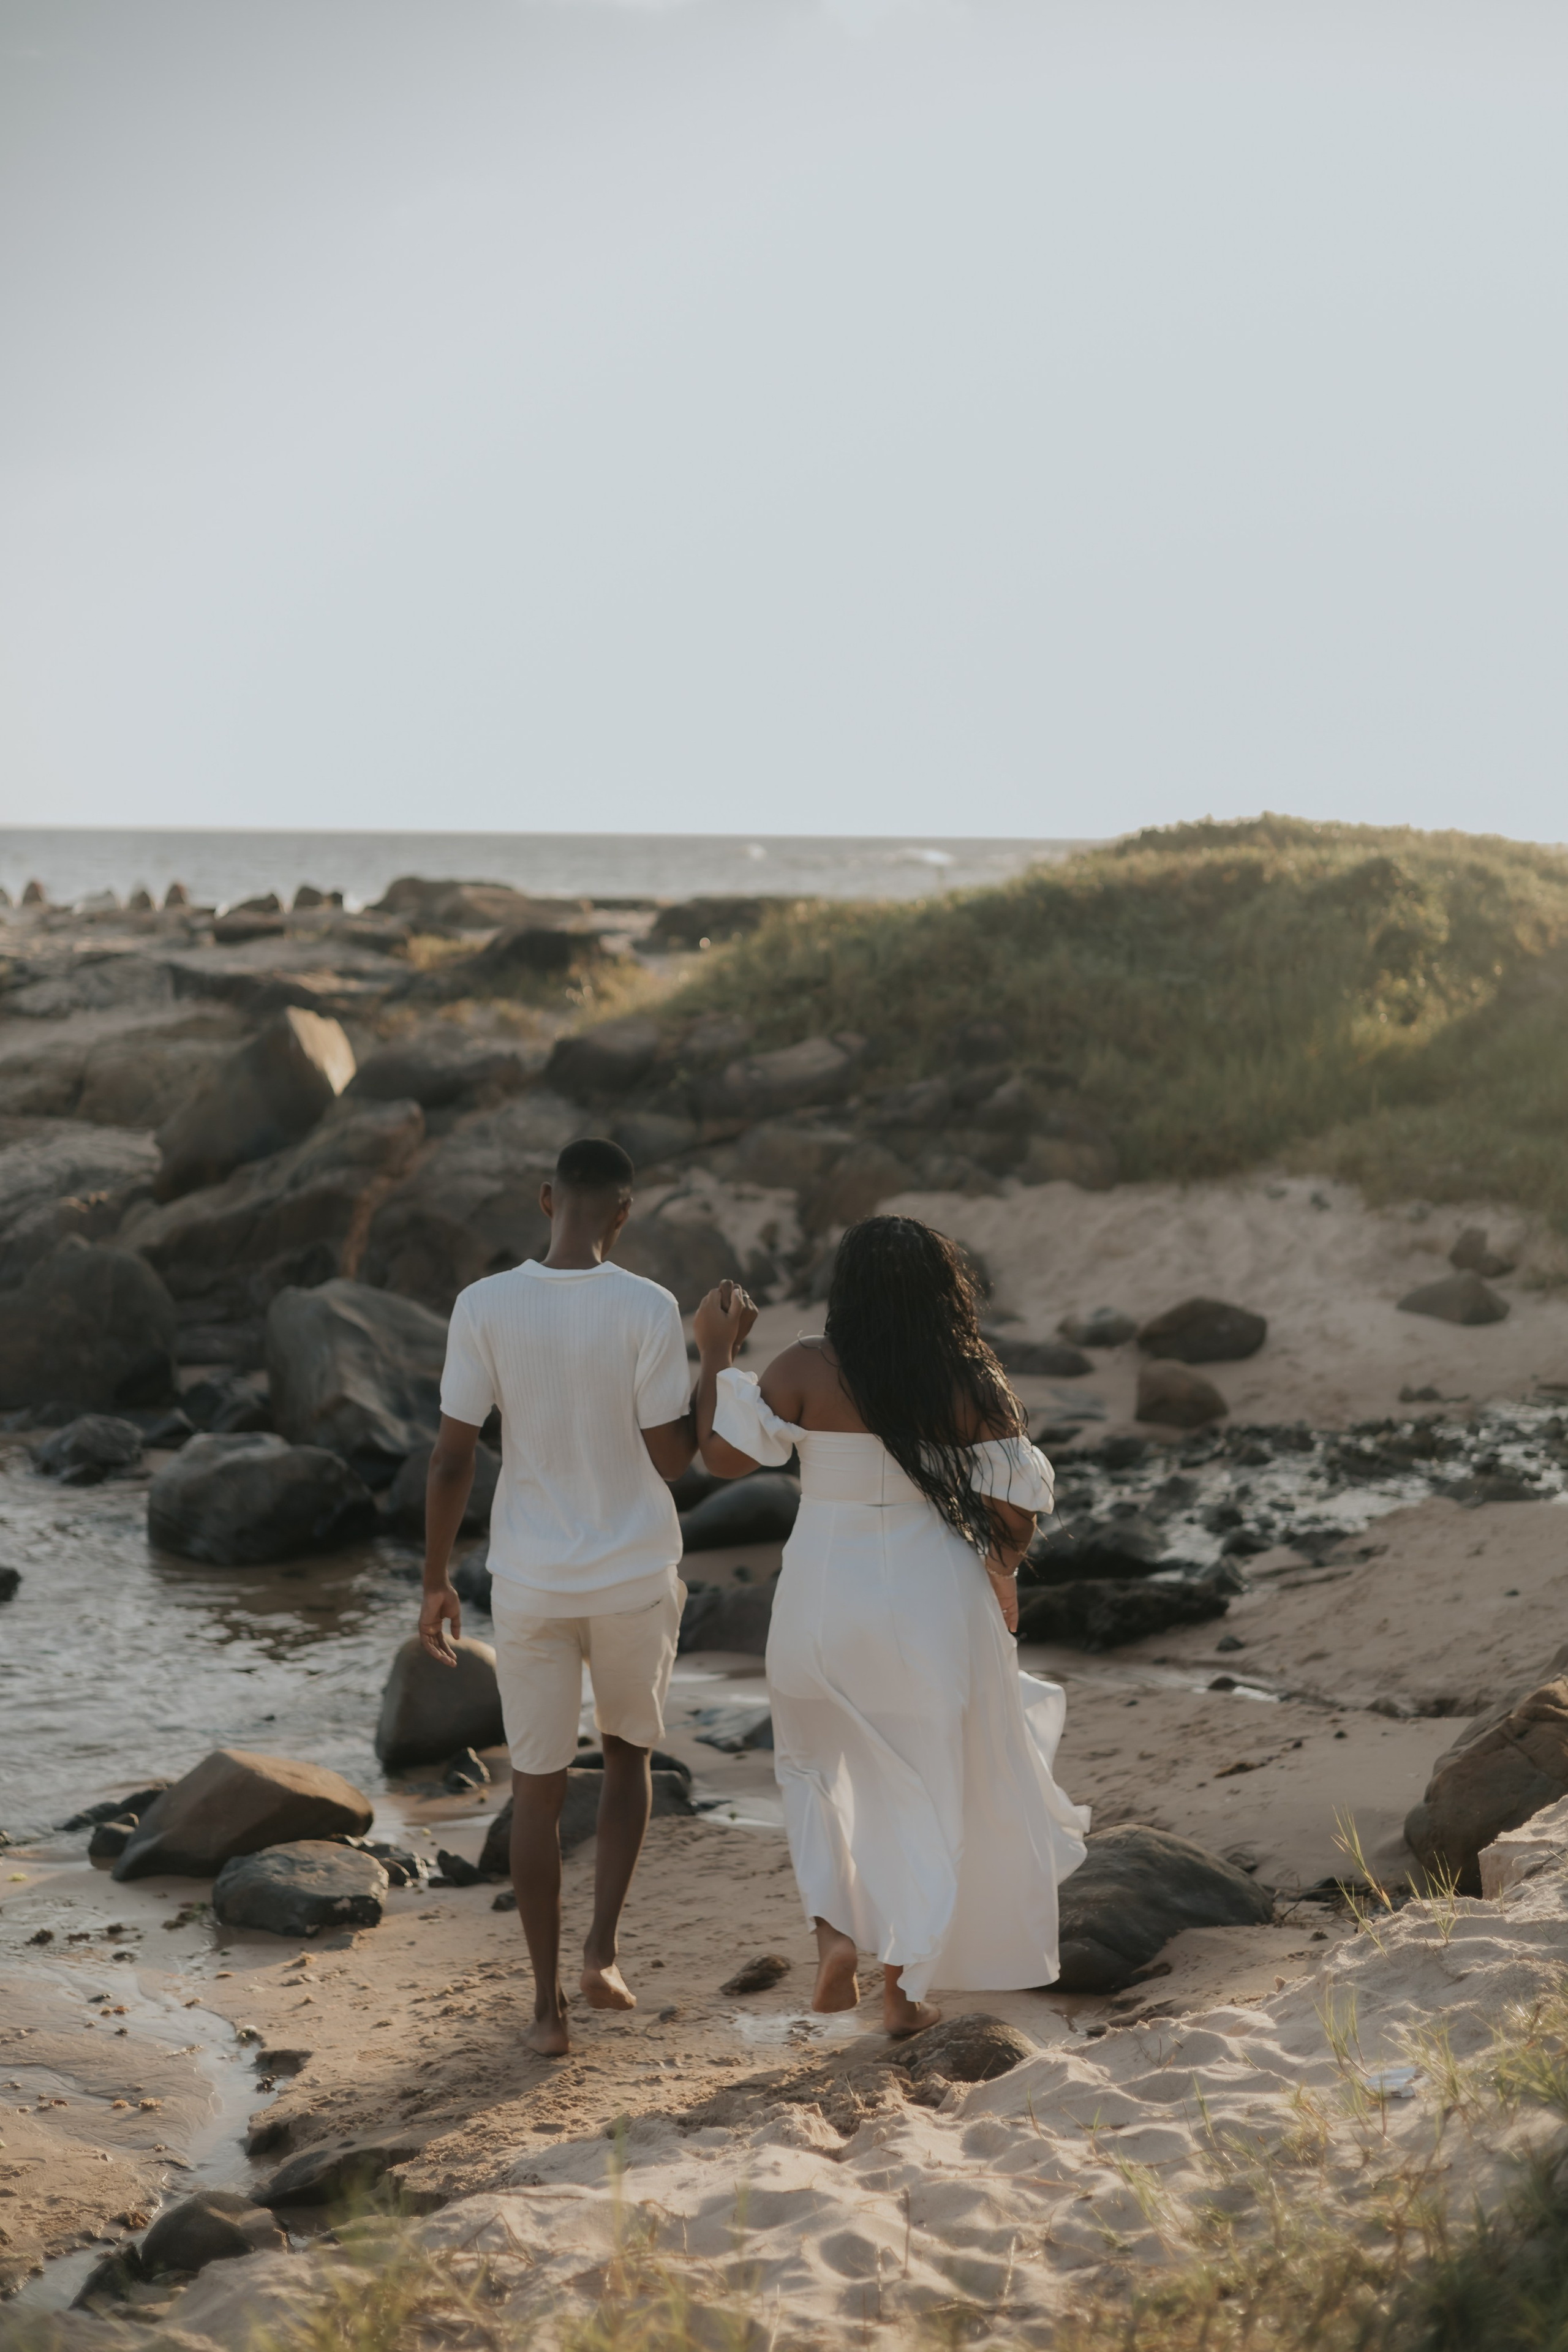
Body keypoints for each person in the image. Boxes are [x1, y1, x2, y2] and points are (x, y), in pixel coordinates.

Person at [694, 1216, 1088, 2037]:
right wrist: (997, 1576)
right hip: (926, 1602)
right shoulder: (971, 1386)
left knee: (811, 1769)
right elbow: (1013, 1527)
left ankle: (835, 1938)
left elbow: (724, 1460)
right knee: (922, 1786)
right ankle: (903, 1988)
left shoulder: (807, 1365)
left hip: (820, 1597)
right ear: (945, 1294)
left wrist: (715, 1355)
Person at [418, 1136, 696, 2056]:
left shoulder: (484, 1306)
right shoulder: (649, 1309)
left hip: (531, 1583)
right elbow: (672, 1459)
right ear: (624, 1213)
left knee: (532, 1796)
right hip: (631, 1577)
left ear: (547, 1199)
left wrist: (434, 1580)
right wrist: (718, 1358)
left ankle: (546, 2013)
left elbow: (453, 1455)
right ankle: (601, 1956)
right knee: (626, 1763)